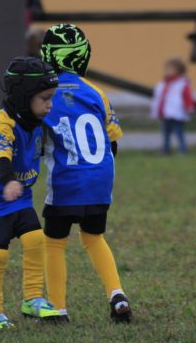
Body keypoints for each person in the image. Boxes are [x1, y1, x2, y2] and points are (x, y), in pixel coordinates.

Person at [39, 23, 132, 323]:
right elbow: (113, 138)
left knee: (53, 242)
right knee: (94, 237)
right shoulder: (96, 92)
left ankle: (57, 309)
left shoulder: (45, 95)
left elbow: (37, 139)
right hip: (100, 180)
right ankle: (117, 293)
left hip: (67, 180)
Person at [0, 57, 62, 329]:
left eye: (51, 98)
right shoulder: (3, 123)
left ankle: (33, 299)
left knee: (35, 239)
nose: (50, 104)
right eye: (45, 98)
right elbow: (1, 156)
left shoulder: (38, 119)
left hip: (17, 196)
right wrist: (7, 180)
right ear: (23, 96)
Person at [151, 57, 195, 155]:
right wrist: (157, 110)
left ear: (179, 71)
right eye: (166, 69)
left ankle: (182, 150)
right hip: (166, 114)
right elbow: (159, 98)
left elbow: (187, 97)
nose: (167, 71)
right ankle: (165, 150)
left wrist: (190, 108)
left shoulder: (182, 84)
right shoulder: (163, 84)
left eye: (170, 69)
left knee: (179, 133)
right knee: (165, 134)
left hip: (177, 114)